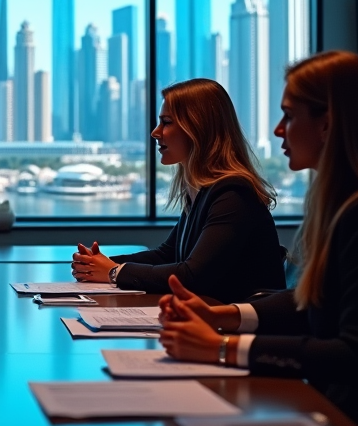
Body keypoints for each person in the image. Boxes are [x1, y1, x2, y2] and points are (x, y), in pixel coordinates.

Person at [158, 51, 358, 426]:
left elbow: (357, 355)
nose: (278, 129)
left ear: (327, 125)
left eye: (289, 115)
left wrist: (222, 347)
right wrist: (223, 316)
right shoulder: (350, 201)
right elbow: (318, 301)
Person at [70, 78, 285, 303]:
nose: (155, 132)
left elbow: (192, 276)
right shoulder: (204, 190)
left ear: (198, 128)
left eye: (167, 122)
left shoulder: (233, 195)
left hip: (235, 330)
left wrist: (115, 272)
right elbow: (168, 254)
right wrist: (101, 264)